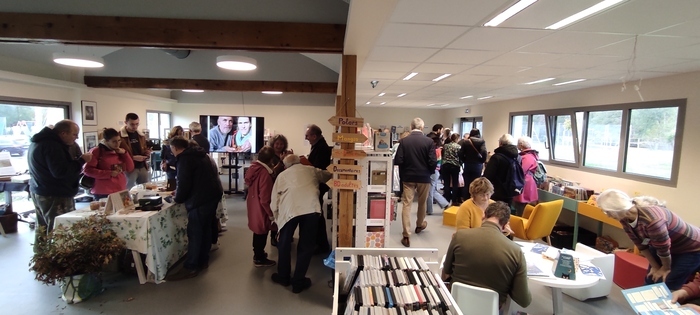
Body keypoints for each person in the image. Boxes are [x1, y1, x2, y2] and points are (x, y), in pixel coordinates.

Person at [597, 189, 700, 290]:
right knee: (651, 277)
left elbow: (663, 249)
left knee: (667, 283)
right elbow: (640, 244)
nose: (609, 216)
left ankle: (665, 304)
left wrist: (665, 268)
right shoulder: (624, 217)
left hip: (691, 248)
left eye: (608, 212)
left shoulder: (653, 220)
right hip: (663, 246)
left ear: (617, 209)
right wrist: (655, 266)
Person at [442, 201, 532, 310]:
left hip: (456, 305)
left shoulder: (460, 236)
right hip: (490, 309)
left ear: (483, 215)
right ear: (506, 224)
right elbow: (523, 300)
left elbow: (447, 271)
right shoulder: (516, 252)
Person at [270, 154, 332, 293]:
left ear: (285, 166)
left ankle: (283, 276)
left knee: (284, 244)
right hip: (311, 209)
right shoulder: (311, 170)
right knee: (306, 246)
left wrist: (275, 218)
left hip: (289, 211)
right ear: (300, 161)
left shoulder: (282, 176)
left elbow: (274, 200)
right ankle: (298, 282)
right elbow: (328, 175)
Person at [28, 120, 93, 250]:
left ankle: (42, 259)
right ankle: (58, 262)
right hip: (54, 193)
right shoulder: (52, 146)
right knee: (59, 228)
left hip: (40, 190)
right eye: (74, 134)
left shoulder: (39, 142)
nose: (76, 138)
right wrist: (81, 160)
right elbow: (60, 172)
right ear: (63, 133)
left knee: (42, 227)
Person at [166, 137, 224, 281]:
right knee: (205, 230)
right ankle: (203, 260)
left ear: (174, 148)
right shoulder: (201, 154)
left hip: (200, 200)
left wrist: (177, 198)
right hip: (212, 195)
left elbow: (184, 182)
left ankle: (191, 266)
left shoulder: (185, 159)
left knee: (195, 232)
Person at [394, 117, 436, 247]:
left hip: (408, 178)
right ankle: (419, 225)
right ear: (422, 128)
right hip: (424, 177)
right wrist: (429, 172)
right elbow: (433, 161)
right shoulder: (429, 142)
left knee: (407, 204)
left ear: (411, 127)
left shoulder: (404, 141)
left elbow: (398, 161)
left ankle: (406, 235)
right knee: (422, 202)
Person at [244, 146, 276, 267]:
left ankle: (258, 253)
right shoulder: (265, 174)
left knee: (257, 230)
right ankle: (259, 257)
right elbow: (265, 198)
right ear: (271, 160)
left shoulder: (253, 168)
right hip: (261, 207)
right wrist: (271, 214)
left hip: (253, 204)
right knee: (262, 232)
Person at [303, 124, 332, 254]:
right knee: (317, 215)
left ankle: (322, 244)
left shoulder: (322, 148)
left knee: (317, 216)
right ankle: (320, 243)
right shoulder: (319, 146)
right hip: (318, 184)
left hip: (319, 185)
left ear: (314, 136)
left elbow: (318, 168)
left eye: (307, 135)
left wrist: (305, 163)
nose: (306, 137)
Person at [82, 128, 135, 200]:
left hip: (120, 188)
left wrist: (125, 154)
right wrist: (108, 173)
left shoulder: (120, 151)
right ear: (106, 141)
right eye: (114, 141)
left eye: (119, 141)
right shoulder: (96, 151)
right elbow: (87, 170)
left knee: (123, 211)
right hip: (103, 191)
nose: (117, 144)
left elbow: (130, 168)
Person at [483, 133, 519, 208]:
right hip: (510, 190)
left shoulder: (496, 158)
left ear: (500, 143)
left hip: (496, 191)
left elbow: (487, 176)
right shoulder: (517, 157)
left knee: (494, 214)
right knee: (505, 214)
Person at [119, 113, 151, 189]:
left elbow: (143, 149)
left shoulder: (141, 135)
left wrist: (146, 152)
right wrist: (133, 157)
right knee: (128, 189)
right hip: (128, 168)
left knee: (145, 189)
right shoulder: (119, 136)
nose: (135, 127)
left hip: (142, 165)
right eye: (132, 124)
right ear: (126, 123)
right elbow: (117, 153)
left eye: (137, 124)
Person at [513, 136, 539, 216]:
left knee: (522, 209)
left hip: (525, 185)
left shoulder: (527, 157)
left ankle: (520, 226)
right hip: (528, 183)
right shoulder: (531, 155)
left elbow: (521, 171)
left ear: (521, 145)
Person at [459, 128, 487, 201]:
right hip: (477, 165)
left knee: (467, 183)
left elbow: (460, 153)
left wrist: (464, 160)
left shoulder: (466, 142)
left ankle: (465, 199)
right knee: (476, 184)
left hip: (468, 164)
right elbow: (484, 152)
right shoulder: (482, 141)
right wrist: (482, 161)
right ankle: (474, 200)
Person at [426, 133, 449, 214]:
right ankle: (445, 204)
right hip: (436, 172)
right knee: (433, 191)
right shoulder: (438, 149)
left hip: (433, 172)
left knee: (429, 192)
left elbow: (431, 162)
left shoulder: (434, 150)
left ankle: (429, 210)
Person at [441, 133, 462, 207]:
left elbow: (442, 154)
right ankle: (454, 200)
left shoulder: (445, 146)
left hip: (445, 165)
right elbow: (460, 156)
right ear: (457, 139)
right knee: (455, 183)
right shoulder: (458, 147)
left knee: (446, 183)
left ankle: (447, 200)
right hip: (455, 166)